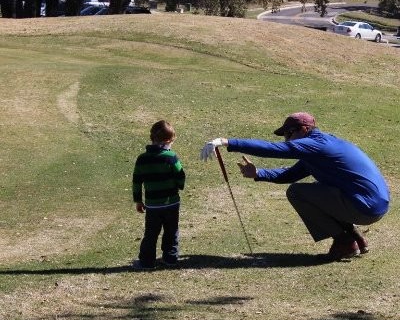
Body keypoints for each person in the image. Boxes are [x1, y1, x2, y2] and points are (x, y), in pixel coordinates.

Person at [200, 112, 390, 260]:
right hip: (374, 204)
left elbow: (274, 149)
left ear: (304, 129)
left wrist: (226, 142)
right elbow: (290, 174)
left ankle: (344, 242)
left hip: (365, 207)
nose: (287, 140)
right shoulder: (320, 147)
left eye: (289, 134)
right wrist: (259, 173)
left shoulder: (315, 145)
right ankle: (355, 237)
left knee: (297, 193)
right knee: (316, 189)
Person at [132, 120, 186, 270]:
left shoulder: (142, 159)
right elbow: (180, 175)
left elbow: (137, 181)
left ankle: (146, 262)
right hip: (172, 203)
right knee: (171, 231)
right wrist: (179, 186)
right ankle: (171, 259)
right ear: (168, 141)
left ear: (152, 138)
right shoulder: (171, 156)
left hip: (153, 205)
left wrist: (138, 200)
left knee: (151, 233)